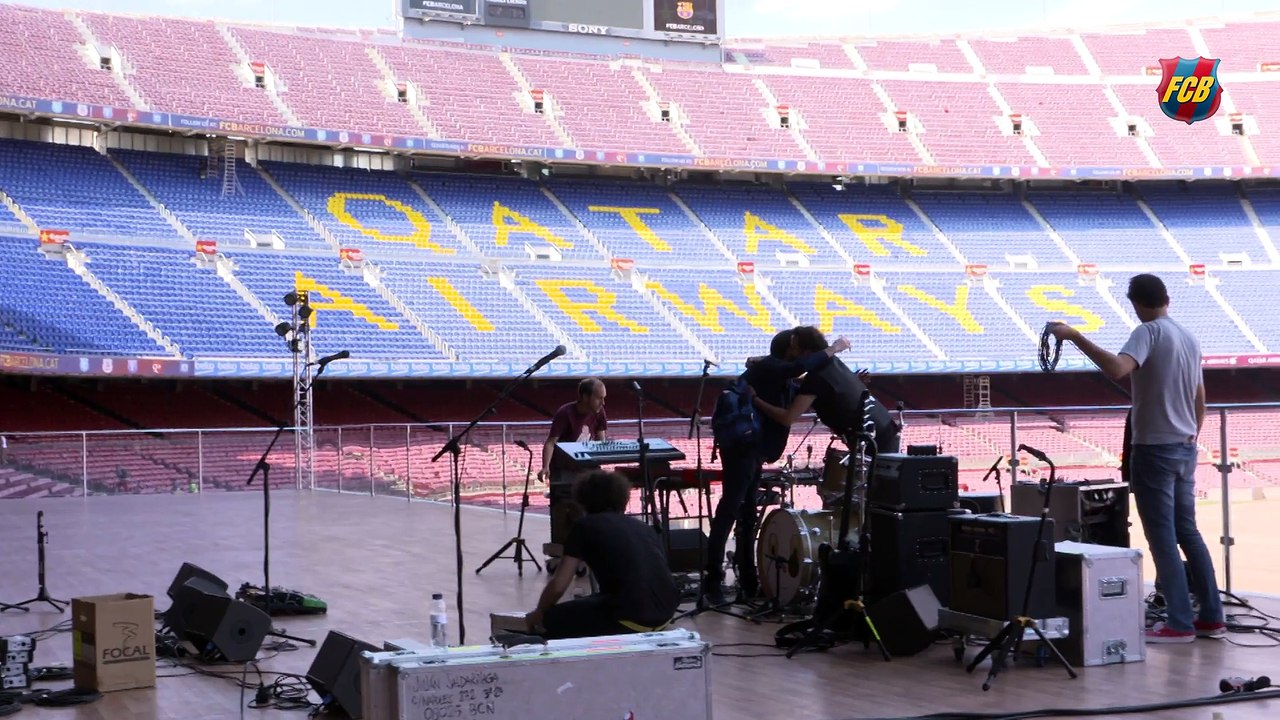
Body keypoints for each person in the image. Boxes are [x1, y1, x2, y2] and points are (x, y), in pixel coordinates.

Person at [1048, 273, 1224, 643]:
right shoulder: (1188, 337)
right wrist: (1192, 435)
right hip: (1184, 445)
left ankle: (1179, 622)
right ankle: (1211, 616)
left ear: (1134, 303)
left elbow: (1117, 370)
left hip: (1155, 449)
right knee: (1188, 532)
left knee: (1162, 537)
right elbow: (1200, 398)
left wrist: (1074, 336)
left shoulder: (1148, 332)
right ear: (1167, 298)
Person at [701, 330, 851, 605]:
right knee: (730, 512)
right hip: (742, 452)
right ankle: (711, 582)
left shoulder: (775, 377)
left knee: (746, 516)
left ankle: (748, 581)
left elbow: (800, 390)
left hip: (751, 451)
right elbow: (798, 367)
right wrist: (834, 349)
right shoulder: (770, 367)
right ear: (789, 350)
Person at [526, 470, 681, 639]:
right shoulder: (643, 527)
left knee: (552, 619)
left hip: (631, 616)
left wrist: (539, 613)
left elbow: (558, 585)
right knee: (596, 602)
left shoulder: (584, 526)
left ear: (583, 500)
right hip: (666, 614)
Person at [751, 326, 901, 457]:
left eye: (794, 348)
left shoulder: (816, 378)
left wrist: (754, 399)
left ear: (807, 352)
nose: (791, 352)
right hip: (884, 428)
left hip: (874, 439)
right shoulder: (833, 363)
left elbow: (788, 418)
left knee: (879, 486)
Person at [538, 378, 607, 483]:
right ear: (585, 397)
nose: (603, 403)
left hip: (587, 466)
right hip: (565, 469)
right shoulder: (565, 412)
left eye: (603, 398)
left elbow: (601, 442)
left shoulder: (599, 412)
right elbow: (551, 442)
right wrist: (545, 466)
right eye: (599, 398)